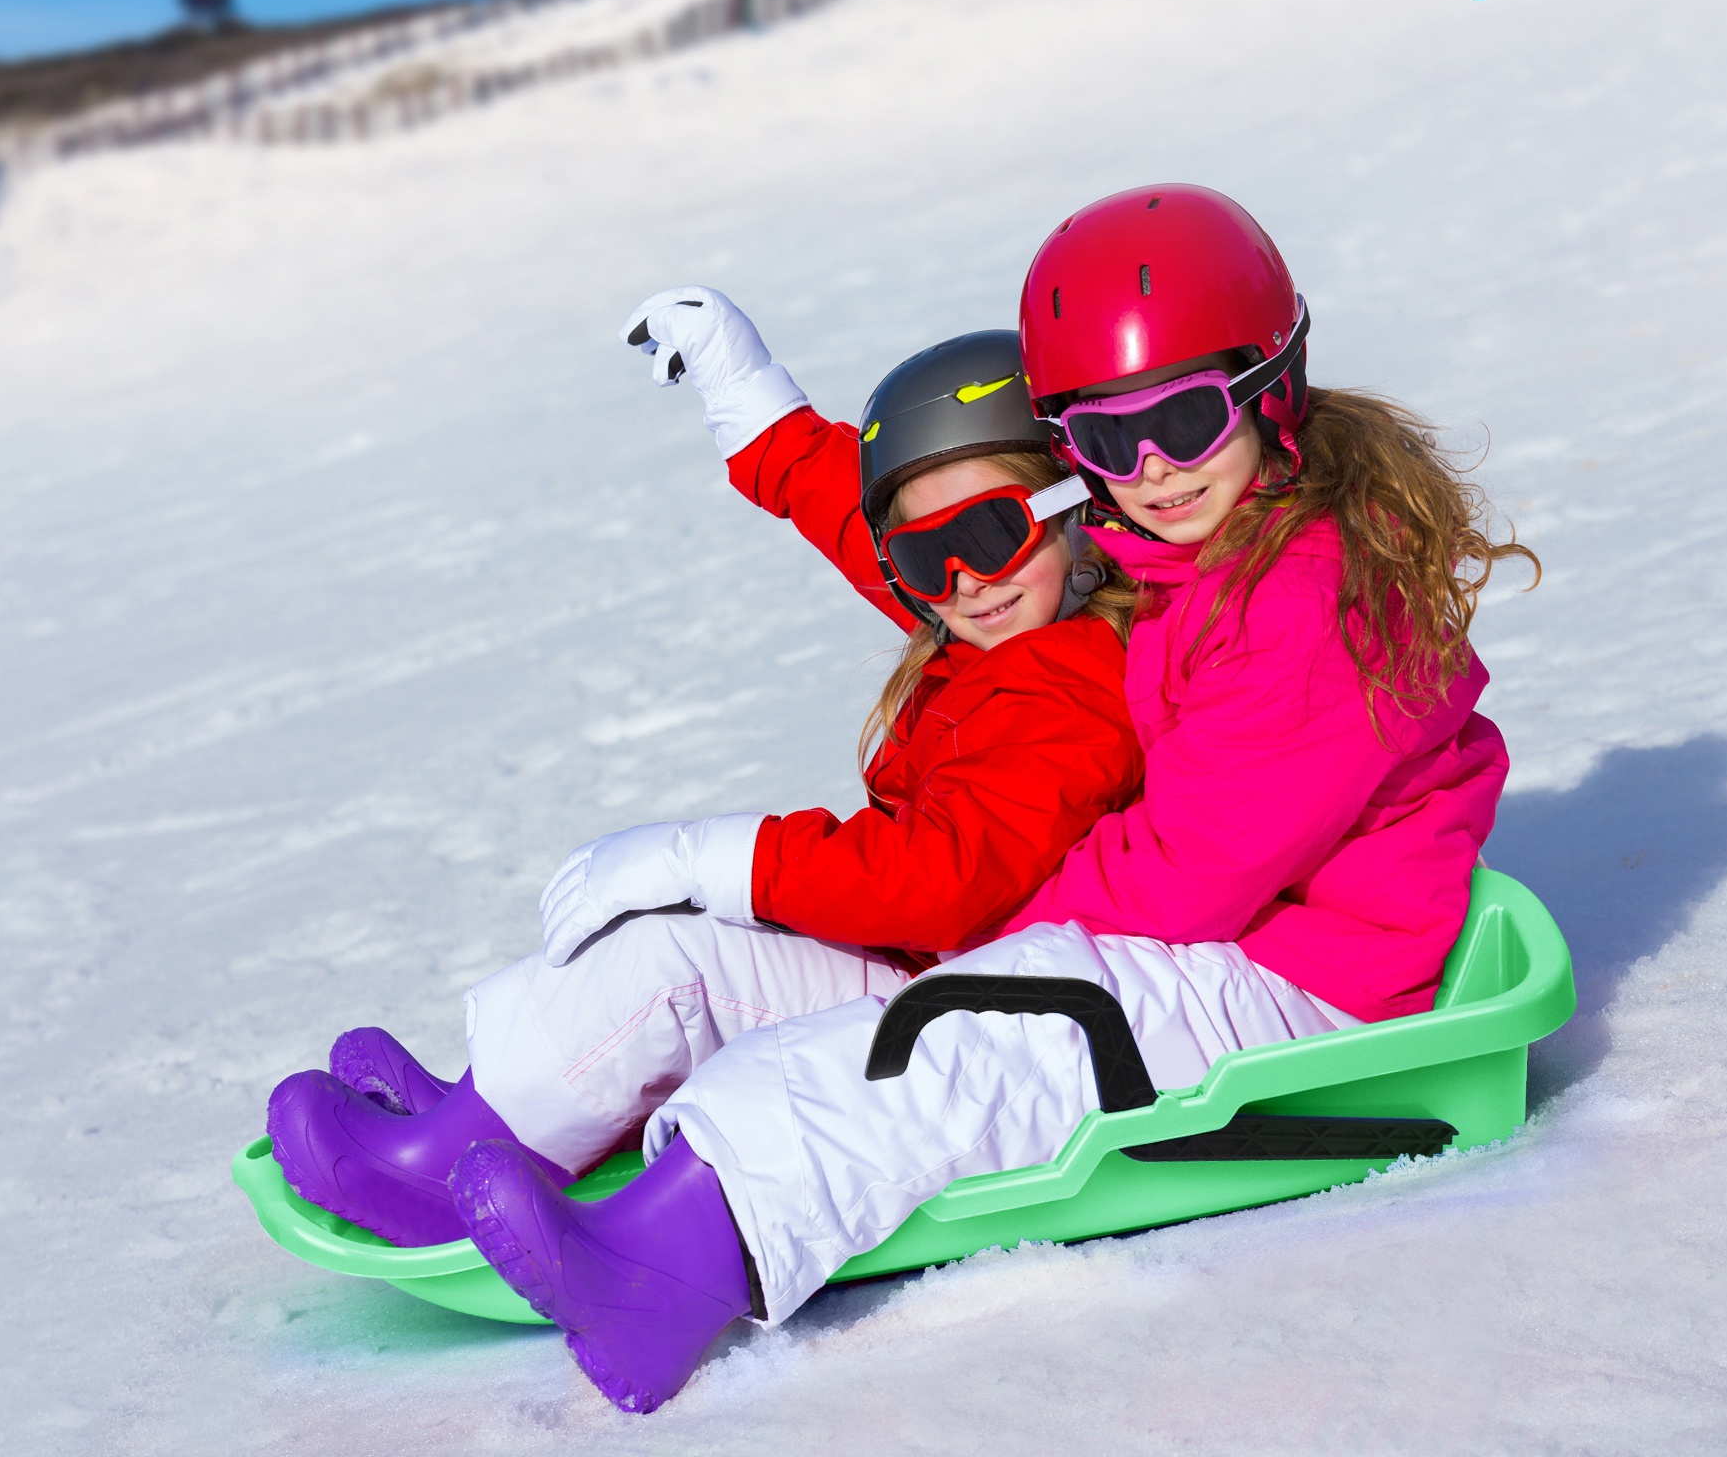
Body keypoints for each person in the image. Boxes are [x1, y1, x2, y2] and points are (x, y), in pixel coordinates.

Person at [443, 184, 1540, 1414]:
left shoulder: (1300, 599)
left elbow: (1187, 871)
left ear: (1268, 384)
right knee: (826, 977)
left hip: (1302, 973)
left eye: (1183, 417)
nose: (1152, 467)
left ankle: (667, 1263)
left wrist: (968, 930)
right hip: (1214, 924)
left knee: (952, 1038)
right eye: (1106, 440)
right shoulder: (1172, 531)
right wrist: (762, 418)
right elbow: (952, 547)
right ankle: (465, 1143)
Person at [265, 288, 1143, 1259]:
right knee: (671, 933)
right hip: (920, 958)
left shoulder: (1069, 688)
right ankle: (496, 1102)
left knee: (673, 965)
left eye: (989, 535)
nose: (964, 580)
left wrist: (718, 858)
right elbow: (854, 519)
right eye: (924, 556)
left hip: (959, 1005)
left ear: (1075, 507)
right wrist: (751, 400)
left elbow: (940, 877)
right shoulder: (1013, 614)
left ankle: (445, 1170)